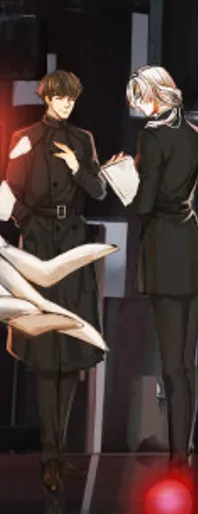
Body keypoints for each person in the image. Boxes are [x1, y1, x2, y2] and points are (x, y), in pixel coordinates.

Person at [106, 66, 198, 471]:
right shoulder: (195, 134)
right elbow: (178, 190)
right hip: (193, 247)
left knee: (172, 364)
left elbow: (143, 204)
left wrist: (122, 175)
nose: (138, 106)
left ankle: (178, 456)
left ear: (156, 94)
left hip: (166, 251)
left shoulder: (151, 138)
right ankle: (183, 450)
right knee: (188, 363)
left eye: (140, 98)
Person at [5, 70, 107, 492]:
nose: (66, 104)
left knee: (71, 351)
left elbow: (99, 190)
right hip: (40, 247)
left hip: (73, 244)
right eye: (60, 98)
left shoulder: (83, 140)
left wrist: (78, 167)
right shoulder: (25, 138)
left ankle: (59, 455)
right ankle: (50, 457)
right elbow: (8, 192)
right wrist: (30, 225)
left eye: (71, 99)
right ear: (47, 97)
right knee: (47, 355)